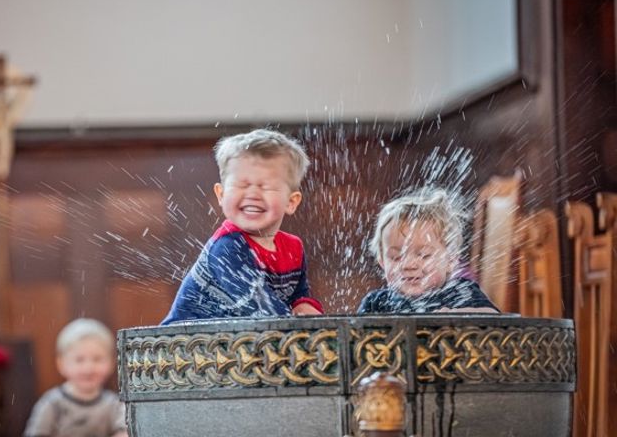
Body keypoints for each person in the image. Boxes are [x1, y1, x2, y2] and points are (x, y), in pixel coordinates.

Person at [162, 129, 323, 324]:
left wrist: (304, 306)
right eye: (241, 185)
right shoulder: (227, 247)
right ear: (221, 195)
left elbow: (299, 293)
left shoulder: (292, 248)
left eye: (266, 186)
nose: (253, 194)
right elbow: (262, 308)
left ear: (291, 202)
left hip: (239, 337)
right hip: (186, 339)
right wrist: (307, 328)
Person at [357, 187, 499, 314]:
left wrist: (454, 316)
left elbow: (493, 317)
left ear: (451, 260)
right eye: (395, 257)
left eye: (424, 255)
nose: (408, 265)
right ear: (382, 262)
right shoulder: (376, 303)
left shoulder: (460, 292)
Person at [24, 319, 127, 437]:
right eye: (79, 360)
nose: (88, 368)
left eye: (97, 359)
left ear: (112, 363)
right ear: (61, 364)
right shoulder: (51, 403)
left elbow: (125, 432)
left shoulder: (114, 404)